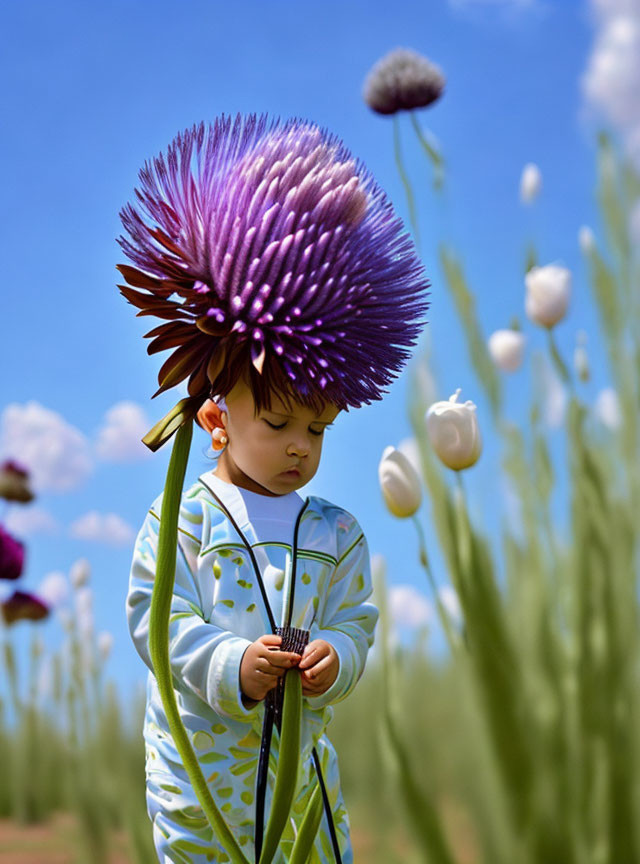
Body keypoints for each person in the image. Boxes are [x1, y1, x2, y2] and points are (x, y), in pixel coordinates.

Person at [119, 112, 430, 863]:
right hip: (201, 790)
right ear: (215, 420)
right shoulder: (185, 515)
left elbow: (356, 621)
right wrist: (230, 666)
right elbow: (154, 622)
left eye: (317, 431)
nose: (300, 446)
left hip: (304, 791)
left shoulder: (337, 531)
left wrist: (337, 659)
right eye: (281, 423)